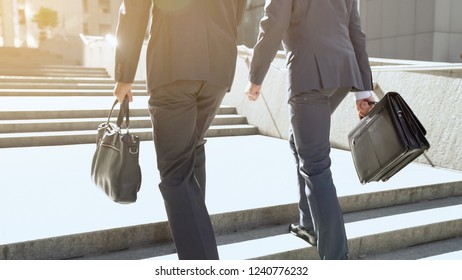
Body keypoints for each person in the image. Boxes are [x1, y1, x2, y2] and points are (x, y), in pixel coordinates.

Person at [112, 0, 247, 260]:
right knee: (191, 150)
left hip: (174, 63)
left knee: (174, 171)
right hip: (218, 68)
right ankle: (192, 239)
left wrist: (124, 75)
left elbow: (134, 9)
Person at [245, 0, 375, 260]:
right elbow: (355, 31)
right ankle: (308, 224)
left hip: (309, 75)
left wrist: (255, 77)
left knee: (315, 164)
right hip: (342, 72)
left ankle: (336, 256)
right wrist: (363, 90)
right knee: (299, 142)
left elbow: (273, 22)